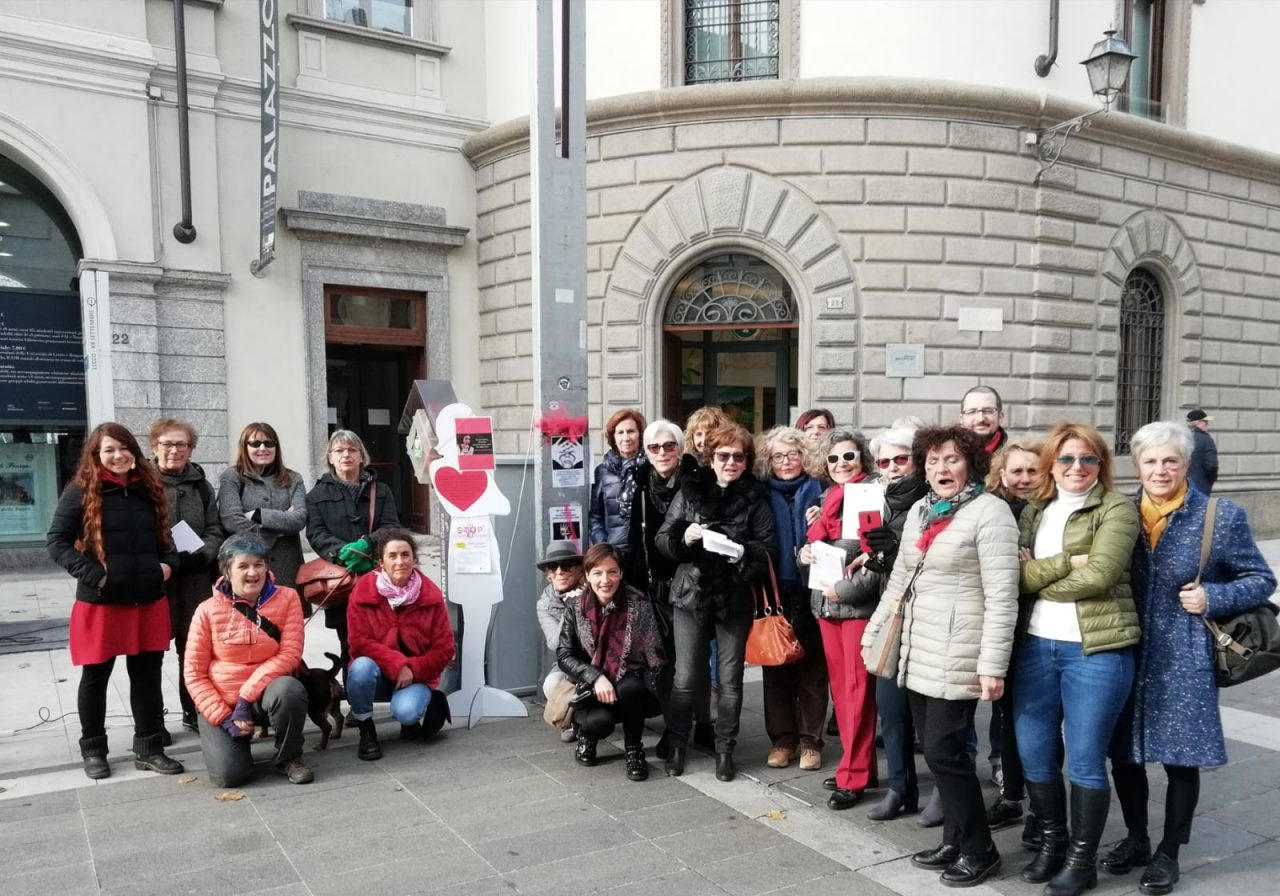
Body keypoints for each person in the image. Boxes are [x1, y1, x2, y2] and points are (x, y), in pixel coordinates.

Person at [1102, 421, 1276, 896]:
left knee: (1182, 759)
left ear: (1186, 464)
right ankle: (1137, 838)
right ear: (1136, 466)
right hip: (1126, 646)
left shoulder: (1221, 516)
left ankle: (1168, 852)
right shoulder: (1117, 513)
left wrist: (1214, 596)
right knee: (1124, 755)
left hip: (1185, 655)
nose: (1160, 470)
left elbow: (1260, 579)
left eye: (1170, 461)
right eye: (1151, 461)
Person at [863, 425, 1018, 887]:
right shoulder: (922, 511)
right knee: (933, 750)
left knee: (946, 751)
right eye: (932, 461)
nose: (940, 469)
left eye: (950, 459)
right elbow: (901, 577)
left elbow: (1003, 594)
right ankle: (955, 839)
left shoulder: (991, 513)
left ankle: (981, 849)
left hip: (959, 647)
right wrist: (875, 631)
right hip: (917, 645)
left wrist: (993, 663)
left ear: (970, 462)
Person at [1014, 423, 1141, 896]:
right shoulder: (1034, 510)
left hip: (1096, 650)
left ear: (1101, 464)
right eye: (1066, 459)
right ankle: (1052, 843)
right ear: (1052, 464)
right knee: (1035, 754)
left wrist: (1036, 576)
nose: (1076, 468)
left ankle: (1081, 860)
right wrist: (1067, 563)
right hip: (1034, 647)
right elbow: (1013, 575)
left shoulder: (1116, 508)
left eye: (1087, 459)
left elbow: (1101, 576)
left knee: (1086, 760)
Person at [47, 422, 185, 780]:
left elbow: (166, 542)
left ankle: (149, 748)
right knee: (95, 678)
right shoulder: (80, 491)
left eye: (124, 448)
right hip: (102, 602)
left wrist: (167, 568)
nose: (118, 455)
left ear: (134, 452)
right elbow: (57, 542)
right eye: (109, 450)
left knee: (147, 678)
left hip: (148, 599)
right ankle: (94, 750)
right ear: (96, 455)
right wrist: (96, 574)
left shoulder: (149, 488)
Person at [806, 425, 927, 813]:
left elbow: (875, 554)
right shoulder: (827, 498)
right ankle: (858, 767)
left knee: (859, 694)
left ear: (862, 458)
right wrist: (803, 555)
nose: (841, 463)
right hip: (826, 603)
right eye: (833, 458)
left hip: (856, 603)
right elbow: (816, 546)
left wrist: (846, 587)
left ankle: (853, 775)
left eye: (848, 456)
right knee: (842, 694)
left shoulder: (872, 492)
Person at [657, 423, 778, 781]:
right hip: (691, 594)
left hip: (733, 598)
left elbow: (768, 549)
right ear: (710, 459)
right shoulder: (690, 490)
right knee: (686, 677)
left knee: (730, 679)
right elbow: (663, 539)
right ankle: (678, 744)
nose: (730, 462)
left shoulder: (755, 497)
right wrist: (685, 534)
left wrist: (743, 551)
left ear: (746, 462)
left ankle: (725, 749)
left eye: (738, 457)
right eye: (723, 456)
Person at [184, 534, 313, 786]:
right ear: (227, 571)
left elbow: (290, 654)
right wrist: (225, 717)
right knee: (229, 776)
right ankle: (235, 742)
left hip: (266, 695)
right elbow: (194, 674)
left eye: (258, 564)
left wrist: (246, 698)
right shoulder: (206, 610)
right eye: (243, 566)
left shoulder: (288, 598)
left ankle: (289, 757)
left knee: (290, 689)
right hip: (222, 701)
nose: (252, 572)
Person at [622, 418, 711, 756]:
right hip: (653, 586)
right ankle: (679, 725)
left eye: (669, 446)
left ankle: (701, 724)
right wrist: (633, 586)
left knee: (693, 660)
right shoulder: (642, 483)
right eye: (654, 448)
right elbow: (634, 537)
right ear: (646, 452)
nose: (662, 453)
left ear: (680, 448)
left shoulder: (696, 481)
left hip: (690, 585)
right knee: (663, 661)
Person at [982, 438, 1046, 841]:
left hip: (1042, 629)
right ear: (1001, 474)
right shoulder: (993, 510)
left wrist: (1036, 569)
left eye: (1031, 471)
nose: (1024, 478)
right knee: (1006, 718)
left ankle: (1042, 808)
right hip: (1006, 628)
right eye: (1016, 471)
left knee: (1038, 722)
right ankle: (1011, 797)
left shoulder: (1054, 512)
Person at [557, 543, 664, 781]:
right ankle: (586, 737)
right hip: (590, 689)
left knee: (631, 687)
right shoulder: (575, 608)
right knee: (599, 723)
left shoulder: (639, 604)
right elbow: (564, 655)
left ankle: (634, 750)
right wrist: (595, 676)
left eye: (612, 571)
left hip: (629, 688)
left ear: (621, 573)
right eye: (597, 573)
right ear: (587, 576)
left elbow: (653, 656)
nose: (605, 580)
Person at [346, 528, 455, 760]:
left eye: (405, 555)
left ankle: (414, 716)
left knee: (406, 712)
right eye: (392, 556)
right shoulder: (363, 591)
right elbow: (358, 642)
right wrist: (397, 665)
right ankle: (366, 729)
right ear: (381, 562)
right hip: (377, 675)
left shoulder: (430, 596)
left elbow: (444, 649)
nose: (400, 561)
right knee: (360, 668)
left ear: (414, 559)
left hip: (415, 676)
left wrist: (412, 670)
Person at [756, 426, 828, 773]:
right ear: (768, 461)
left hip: (814, 587)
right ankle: (782, 739)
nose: (786, 462)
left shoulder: (821, 489)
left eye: (792, 454)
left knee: (814, 669)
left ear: (804, 456)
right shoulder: (760, 492)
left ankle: (810, 741)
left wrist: (822, 520)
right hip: (775, 590)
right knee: (777, 667)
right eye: (778, 456)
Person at [150, 419, 223, 737]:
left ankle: (193, 710)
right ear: (154, 446)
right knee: (150, 651)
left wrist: (203, 553)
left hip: (194, 578)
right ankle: (152, 720)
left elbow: (215, 528)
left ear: (191, 449)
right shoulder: (142, 482)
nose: (174, 450)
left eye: (182, 444)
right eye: (167, 444)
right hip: (155, 578)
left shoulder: (201, 486)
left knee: (192, 648)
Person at [306, 429, 400, 671]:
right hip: (343, 581)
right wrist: (342, 552)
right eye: (339, 450)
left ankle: (386, 696)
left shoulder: (382, 491)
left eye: (351, 450)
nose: (345, 455)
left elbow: (391, 527)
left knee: (388, 641)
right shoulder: (316, 495)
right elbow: (316, 533)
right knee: (350, 644)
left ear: (362, 457)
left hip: (380, 578)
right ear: (330, 457)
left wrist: (367, 545)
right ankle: (358, 705)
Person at [219, 422, 308, 599]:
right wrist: (279, 528)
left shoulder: (293, 478)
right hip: (246, 565)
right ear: (245, 447)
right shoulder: (232, 477)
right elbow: (231, 519)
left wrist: (257, 515)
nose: (263, 448)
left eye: (269, 443)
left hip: (286, 566)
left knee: (287, 621)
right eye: (255, 443)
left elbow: (299, 518)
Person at [536, 539, 586, 743]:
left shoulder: (595, 588)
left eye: (566, 566)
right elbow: (555, 645)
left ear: (578, 570)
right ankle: (576, 722)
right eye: (553, 567)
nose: (559, 571)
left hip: (601, 658)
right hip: (570, 663)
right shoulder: (545, 605)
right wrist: (571, 608)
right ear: (548, 575)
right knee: (552, 684)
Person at [590, 408, 646, 547]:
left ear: (640, 435)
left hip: (645, 551)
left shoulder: (651, 467)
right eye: (620, 432)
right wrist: (604, 545)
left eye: (631, 431)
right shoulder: (602, 472)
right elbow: (596, 517)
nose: (626, 438)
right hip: (615, 553)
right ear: (613, 438)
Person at [960, 385, 1008, 453]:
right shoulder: (951, 453)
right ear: (961, 419)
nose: (980, 419)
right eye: (972, 412)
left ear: (1000, 417)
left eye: (988, 411)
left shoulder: (1014, 456)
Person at [1185, 409, 1218, 495]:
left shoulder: (1182, 437)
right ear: (1198, 423)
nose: (1208, 424)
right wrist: (1211, 479)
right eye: (1205, 422)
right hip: (1200, 486)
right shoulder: (1206, 440)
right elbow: (1212, 465)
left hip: (1182, 486)